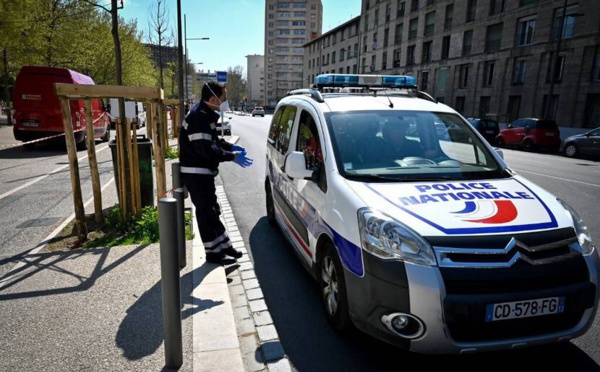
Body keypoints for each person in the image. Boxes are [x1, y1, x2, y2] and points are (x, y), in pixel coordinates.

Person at [179, 81, 253, 265]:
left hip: (201, 172)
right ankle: (213, 253)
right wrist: (231, 156)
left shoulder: (205, 114)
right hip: (196, 173)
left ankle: (223, 246)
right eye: (224, 99)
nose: (225, 103)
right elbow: (207, 150)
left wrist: (229, 146)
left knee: (212, 210)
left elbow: (214, 141)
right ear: (213, 99)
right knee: (206, 212)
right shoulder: (199, 118)